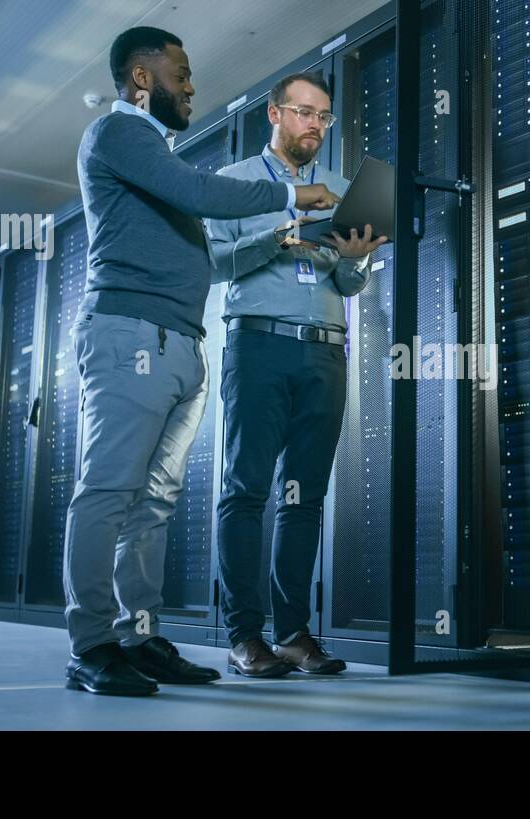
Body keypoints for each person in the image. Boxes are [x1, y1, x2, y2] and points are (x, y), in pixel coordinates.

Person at [64, 29, 339, 696]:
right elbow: (205, 196)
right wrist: (289, 198)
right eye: (179, 74)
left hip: (180, 341)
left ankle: (137, 633)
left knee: (154, 501)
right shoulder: (118, 134)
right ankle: (91, 642)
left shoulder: (156, 156)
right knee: (109, 490)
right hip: (132, 333)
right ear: (139, 77)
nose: (191, 86)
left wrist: (305, 243)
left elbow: (203, 249)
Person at [206, 72, 386, 677]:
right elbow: (212, 262)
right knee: (246, 490)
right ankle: (243, 634)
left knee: (304, 498)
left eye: (324, 116)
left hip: (324, 352)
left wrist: (357, 262)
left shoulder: (339, 190)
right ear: (275, 115)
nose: (315, 124)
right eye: (304, 112)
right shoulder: (233, 186)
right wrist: (277, 237)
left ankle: (292, 634)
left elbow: (348, 282)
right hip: (258, 346)